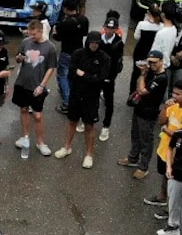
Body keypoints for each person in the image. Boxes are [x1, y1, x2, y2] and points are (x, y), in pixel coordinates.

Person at [54, 34, 109, 169]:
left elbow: (101, 79)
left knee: (89, 126)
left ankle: (89, 154)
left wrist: (83, 75)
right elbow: (71, 74)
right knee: (72, 122)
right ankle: (66, 147)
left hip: (91, 97)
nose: (94, 45)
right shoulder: (78, 54)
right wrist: (90, 77)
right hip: (76, 95)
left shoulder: (104, 58)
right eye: (92, 42)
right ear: (88, 42)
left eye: (96, 43)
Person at [119, 50, 168, 179]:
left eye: (154, 62)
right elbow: (137, 85)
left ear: (161, 61)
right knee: (135, 135)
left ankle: (143, 167)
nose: (151, 65)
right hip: (139, 109)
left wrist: (142, 74)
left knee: (146, 140)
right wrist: (144, 73)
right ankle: (133, 157)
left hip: (149, 113)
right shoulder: (150, 73)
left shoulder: (162, 78)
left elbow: (142, 90)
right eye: (149, 62)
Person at [12, 20, 56, 159]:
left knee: (37, 115)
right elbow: (18, 58)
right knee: (23, 109)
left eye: (34, 34)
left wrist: (42, 85)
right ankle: (25, 137)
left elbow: (51, 68)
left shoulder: (50, 47)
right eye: (30, 34)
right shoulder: (25, 42)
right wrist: (19, 58)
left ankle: (40, 142)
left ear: (41, 31)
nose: (31, 37)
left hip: (37, 85)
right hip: (22, 83)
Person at [52, 0, 87, 112]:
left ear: (65, 9)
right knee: (74, 76)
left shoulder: (64, 23)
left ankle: (66, 103)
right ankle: (74, 99)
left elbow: (57, 37)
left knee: (63, 76)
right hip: (80, 52)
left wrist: (54, 32)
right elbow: (84, 33)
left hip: (67, 52)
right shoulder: (84, 20)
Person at [95, 12, 124, 142]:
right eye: (107, 28)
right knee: (92, 98)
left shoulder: (118, 43)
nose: (109, 31)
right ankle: (88, 119)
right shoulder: (98, 39)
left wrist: (110, 77)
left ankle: (106, 126)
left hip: (109, 77)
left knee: (109, 101)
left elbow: (117, 63)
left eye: (112, 28)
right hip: (96, 75)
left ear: (116, 29)